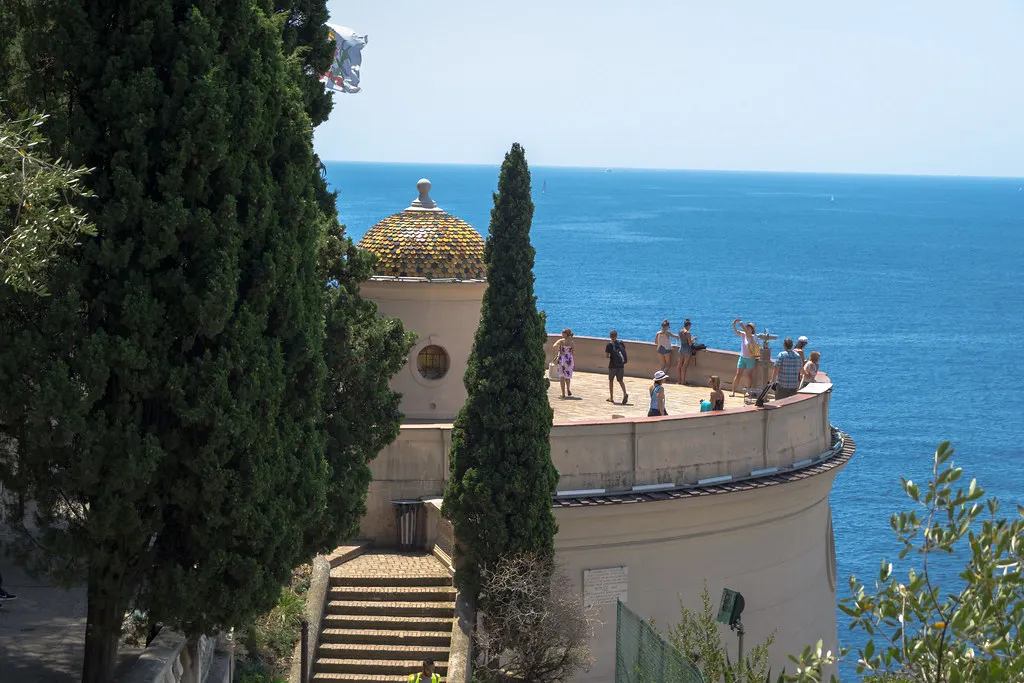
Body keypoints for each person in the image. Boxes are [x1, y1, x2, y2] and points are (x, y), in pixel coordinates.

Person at [730, 318, 758, 397]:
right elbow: (736, 331)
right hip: (742, 357)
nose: (748, 329)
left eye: (750, 328)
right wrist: (734, 324)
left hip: (750, 358)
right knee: (738, 374)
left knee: (749, 375)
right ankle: (733, 391)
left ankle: (748, 391)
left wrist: (742, 325)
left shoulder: (753, 336)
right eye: (747, 327)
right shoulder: (743, 334)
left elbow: (748, 335)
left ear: (752, 330)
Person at [605, 330, 629, 404]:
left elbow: (606, 356)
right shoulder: (621, 343)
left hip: (612, 365)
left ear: (610, 336)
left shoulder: (609, 345)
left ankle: (611, 397)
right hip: (621, 365)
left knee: (611, 381)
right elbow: (624, 352)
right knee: (620, 380)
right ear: (616, 336)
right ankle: (625, 393)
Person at [552, 328, 576, 398]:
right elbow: (573, 352)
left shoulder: (561, 341)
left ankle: (563, 393)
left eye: (563, 333)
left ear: (566, 334)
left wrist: (559, 352)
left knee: (562, 376)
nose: (562, 334)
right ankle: (568, 389)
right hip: (569, 359)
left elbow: (554, 346)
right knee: (567, 376)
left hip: (562, 359)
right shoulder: (572, 342)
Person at [676, 319, 697, 385]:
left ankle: (679, 380)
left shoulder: (680, 331)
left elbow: (682, 340)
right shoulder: (688, 333)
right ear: (688, 325)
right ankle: (683, 381)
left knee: (679, 365)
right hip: (687, 350)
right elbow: (690, 343)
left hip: (681, 348)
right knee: (684, 365)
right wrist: (693, 339)